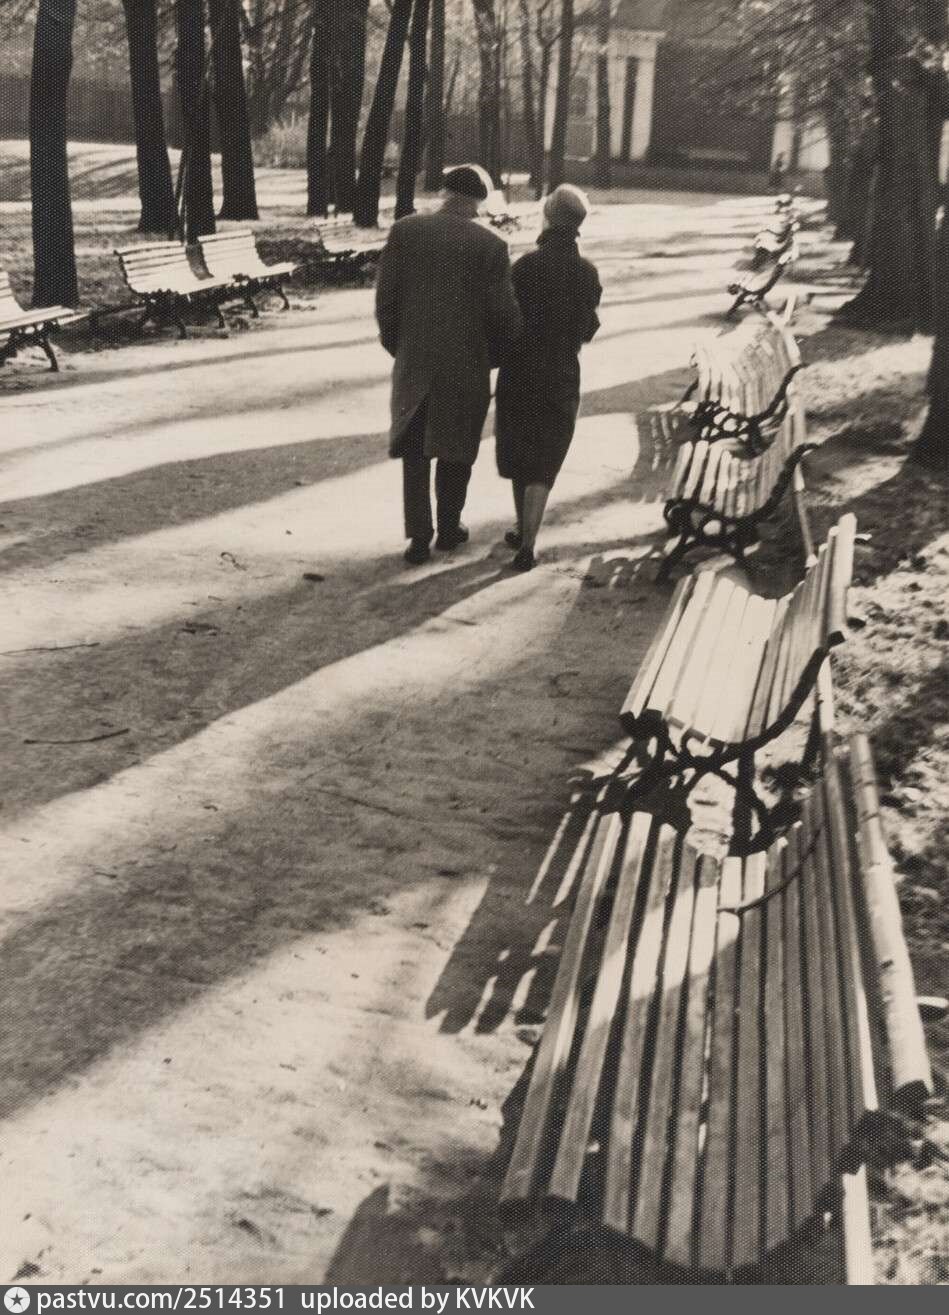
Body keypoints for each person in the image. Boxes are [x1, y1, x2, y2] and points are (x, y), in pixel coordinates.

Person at [375, 164, 523, 565]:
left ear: (444, 193)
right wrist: (492, 358)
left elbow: (386, 300)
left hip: (415, 360)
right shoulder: (492, 245)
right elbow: (503, 315)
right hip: (467, 364)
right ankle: (448, 526)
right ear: (480, 201)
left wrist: (400, 347)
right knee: (457, 448)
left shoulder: (405, 231)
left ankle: (418, 536)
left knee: (415, 451)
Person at [494, 184, 602, 571]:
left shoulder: (525, 266)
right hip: (561, 372)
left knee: (519, 449)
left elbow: (505, 318)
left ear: (549, 218)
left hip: (520, 370)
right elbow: (588, 329)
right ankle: (528, 541)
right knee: (545, 456)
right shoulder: (587, 272)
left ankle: (522, 526)